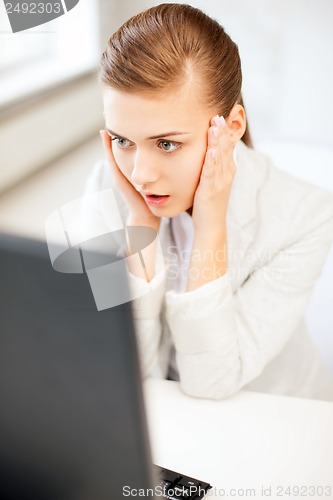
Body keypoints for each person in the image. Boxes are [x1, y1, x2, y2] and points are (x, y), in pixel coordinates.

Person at [82, 3, 333, 400]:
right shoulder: (105, 188)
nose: (140, 174)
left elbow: (212, 381)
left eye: (166, 143)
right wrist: (141, 227)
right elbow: (114, 367)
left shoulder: (304, 217)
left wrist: (210, 227)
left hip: (273, 422)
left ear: (231, 128)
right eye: (122, 140)